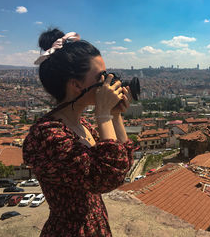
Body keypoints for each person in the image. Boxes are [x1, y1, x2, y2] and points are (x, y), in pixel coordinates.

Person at [23, 28, 137, 236]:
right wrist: (102, 114)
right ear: (76, 85)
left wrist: (115, 115)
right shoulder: (48, 136)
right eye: (101, 77)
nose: (107, 82)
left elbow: (122, 163)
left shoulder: (80, 123)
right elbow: (107, 178)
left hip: (95, 225)